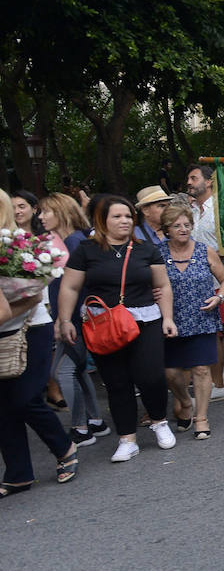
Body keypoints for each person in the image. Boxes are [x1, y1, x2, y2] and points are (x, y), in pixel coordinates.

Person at [57, 195, 178, 462]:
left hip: (145, 320)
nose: (124, 221)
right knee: (117, 382)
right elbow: (70, 286)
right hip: (104, 325)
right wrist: (64, 320)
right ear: (102, 220)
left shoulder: (146, 249)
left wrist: (168, 318)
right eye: (117, 216)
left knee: (151, 376)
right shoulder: (86, 250)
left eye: (127, 216)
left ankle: (159, 421)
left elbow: (163, 285)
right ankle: (127, 439)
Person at [0, 191, 80, 498]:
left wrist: (8, 311)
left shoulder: (20, 244)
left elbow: (34, 296)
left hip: (31, 329)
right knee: (3, 407)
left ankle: (64, 447)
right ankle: (18, 473)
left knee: (26, 399)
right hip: (4, 333)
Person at [39, 193, 110, 447]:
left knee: (62, 371)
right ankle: (95, 422)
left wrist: (64, 319)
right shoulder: (74, 240)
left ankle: (81, 428)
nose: (41, 216)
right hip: (71, 319)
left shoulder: (74, 243)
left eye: (46, 211)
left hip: (75, 322)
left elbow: (77, 288)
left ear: (61, 212)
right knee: (76, 370)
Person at [158, 203, 224, 439]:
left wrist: (219, 297)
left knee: (201, 369)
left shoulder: (204, 251)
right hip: (170, 320)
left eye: (187, 225)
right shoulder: (157, 253)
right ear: (167, 229)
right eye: (177, 225)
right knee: (171, 373)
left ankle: (201, 417)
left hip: (202, 316)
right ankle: (184, 401)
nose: (183, 229)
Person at [186, 163, 224, 400]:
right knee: (217, 333)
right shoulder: (193, 213)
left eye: (193, 178)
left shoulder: (223, 208)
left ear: (209, 181)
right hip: (203, 281)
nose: (189, 183)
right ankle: (219, 385)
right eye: (189, 179)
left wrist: (204, 258)